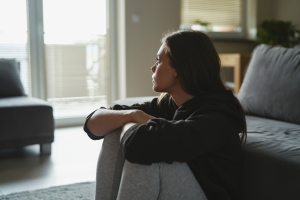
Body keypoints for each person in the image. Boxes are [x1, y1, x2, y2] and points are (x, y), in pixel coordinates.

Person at [83, 30, 247, 200]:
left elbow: (137, 146)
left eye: (159, 61)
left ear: (179, 68)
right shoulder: (170, 104)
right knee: (114, 130)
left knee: (148, 157)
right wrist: (133, 114)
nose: (153, 68)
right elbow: (92, 125)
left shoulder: (219, 116)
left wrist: (131, 121)